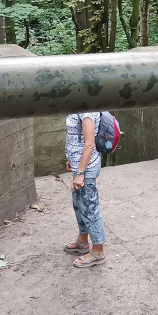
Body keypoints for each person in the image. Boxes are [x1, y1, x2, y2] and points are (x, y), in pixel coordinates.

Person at [62, 111, 107, 268]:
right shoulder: (79, 105)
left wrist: (80, 173)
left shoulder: (87, 110)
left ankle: (98, 251)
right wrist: (73, 161)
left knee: (89, 208)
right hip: (79, 165)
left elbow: (89, 144)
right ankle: (82, 241)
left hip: (86, 168)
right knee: (78, 204)